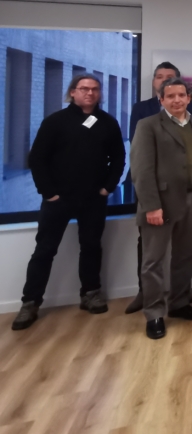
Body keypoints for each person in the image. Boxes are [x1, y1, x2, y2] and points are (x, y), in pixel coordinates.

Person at [12, 74, 126, 331]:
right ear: (72, 92)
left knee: (91, 246)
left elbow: (119, 158)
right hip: (59, 199)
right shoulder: (55, 122)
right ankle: (30, 302)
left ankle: (90, 293)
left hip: (93, 199)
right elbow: (37, 159)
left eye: (95, 89)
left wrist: (108, 187)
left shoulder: (108, 122)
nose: (90, 93)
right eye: (84, 88)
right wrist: (48, 192)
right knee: (45, 250)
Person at [127, 78, 192, 340]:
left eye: (181, 95)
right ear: (161, 100)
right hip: (160, 204)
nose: (177, 100)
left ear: (188, 98)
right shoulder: (148, 125)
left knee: (186, 255)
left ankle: (179, 303)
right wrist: (151, 206)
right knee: (153, 261)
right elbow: (141, 170)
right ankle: (154, 314)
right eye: (170, 96)